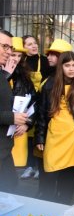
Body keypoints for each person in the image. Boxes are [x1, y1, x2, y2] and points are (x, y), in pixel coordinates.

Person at [35, 51, 74, 204]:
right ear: (60, 67)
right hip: (53, 135)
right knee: (49, 172)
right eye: (67, 65)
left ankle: (63, 205)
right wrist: (40, 137)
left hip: (73, 136)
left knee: (69, 175)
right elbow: (42, 114)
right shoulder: (49, 85)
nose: (71, 68)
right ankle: (48, 206)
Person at [0, 30, 30, 192]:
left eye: (10, 47)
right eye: (4, 46)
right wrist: (11, 117)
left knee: (10, 188)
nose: (9, 52)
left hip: (4, 149)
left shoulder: (2, 72)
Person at [19, 35, 50, 180]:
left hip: (41, 101)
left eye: (35, 43)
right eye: (29, 44)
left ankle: (40, 167)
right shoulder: (21, 62)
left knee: (40, 135)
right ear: (23, 47)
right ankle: (29, 166)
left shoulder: (44, 61)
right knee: (28, 138)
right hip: (26, 104)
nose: (34, 46)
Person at [7, 37, 37, 173]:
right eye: (13, 55)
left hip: (18, 130)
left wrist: (28, 123)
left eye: (19, 56)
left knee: (13, 173)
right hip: (4, 129)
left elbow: (35, 102)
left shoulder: (23, 76)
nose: (16, 59)